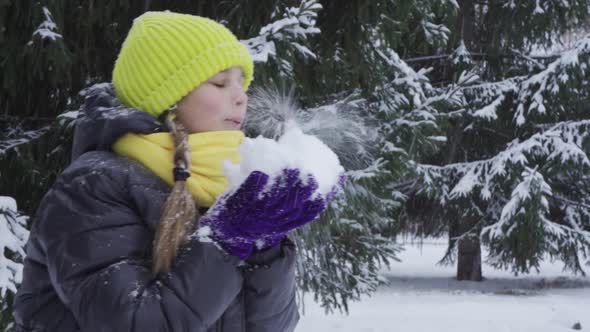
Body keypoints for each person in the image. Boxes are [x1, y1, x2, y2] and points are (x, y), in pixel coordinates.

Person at [13, 11, 339, 331]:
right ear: (168, 98)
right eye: (221, 82)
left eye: (242, 83)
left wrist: (266, 245)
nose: (241, 97)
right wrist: (224, 242)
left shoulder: (225, 185)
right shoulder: (92, 187)